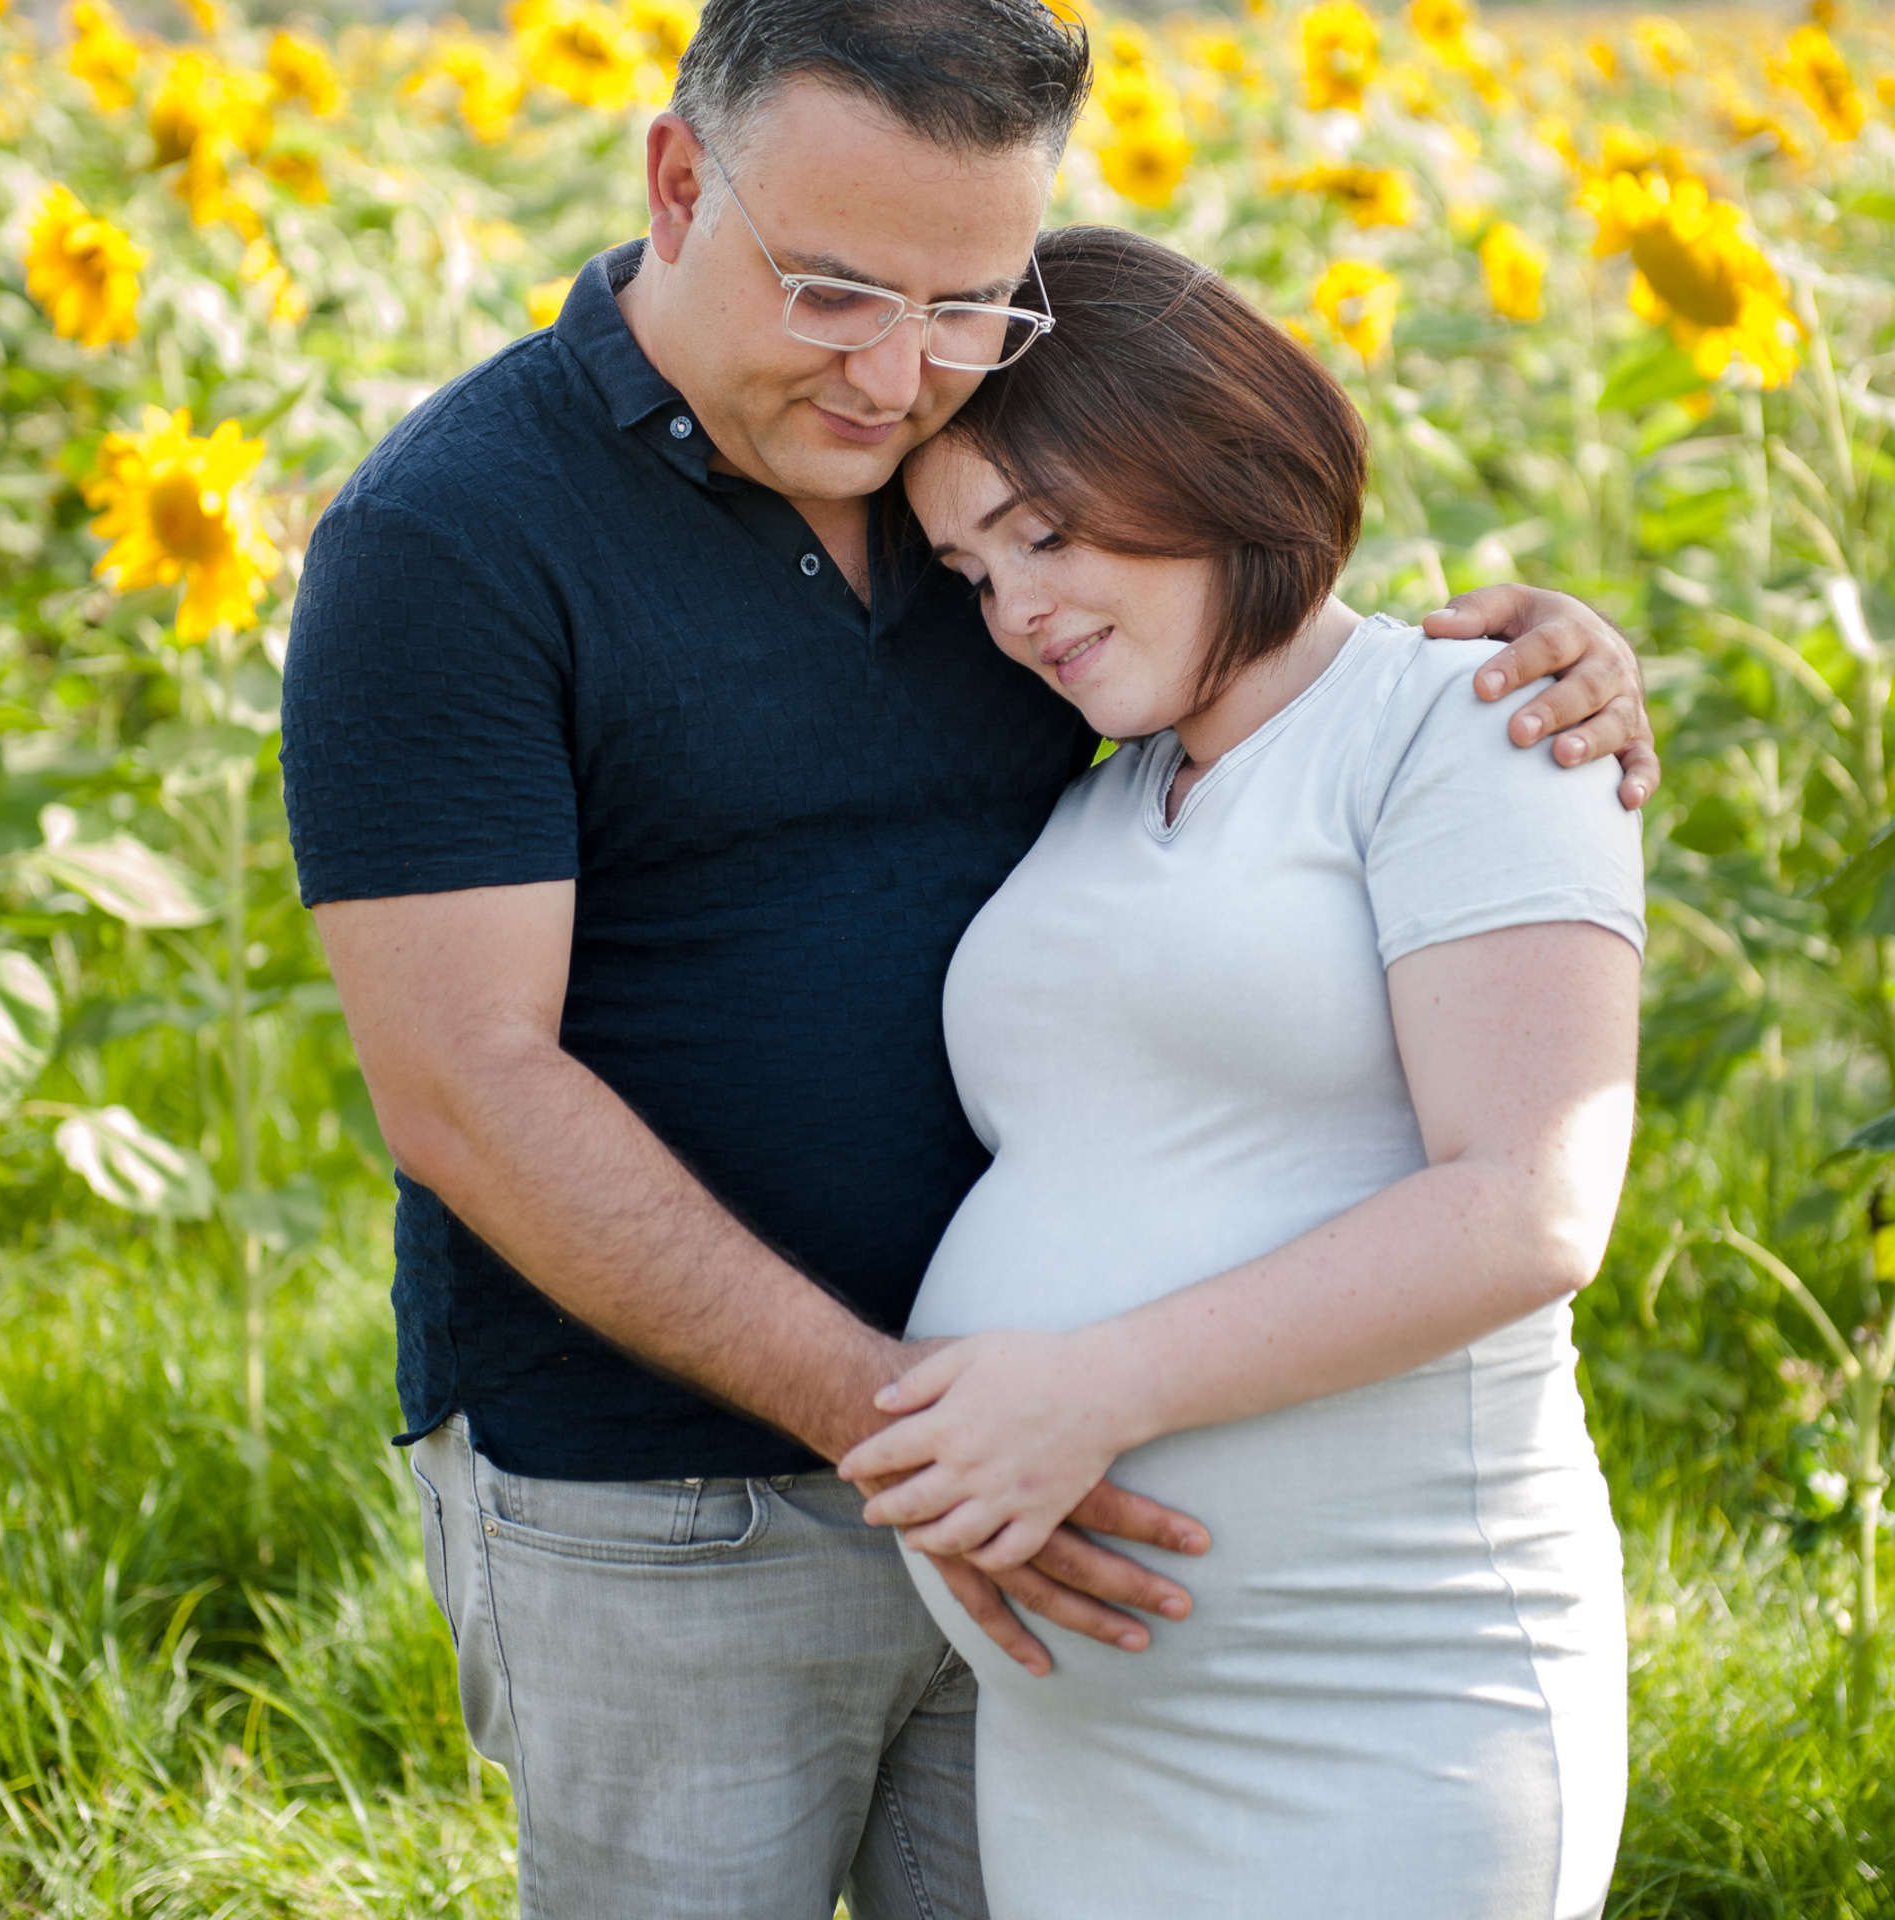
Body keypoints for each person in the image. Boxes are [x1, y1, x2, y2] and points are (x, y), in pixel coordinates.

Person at [279, 3, 1658, 1914]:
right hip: (684, 1502)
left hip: (1095, 1528)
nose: (899, 372)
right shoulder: (450, 542)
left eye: (968, 303)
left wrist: (1537, 659)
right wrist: (920, 1430)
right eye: (837, 292)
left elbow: (1250, 663)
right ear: (679, 182)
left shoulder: (974, 458)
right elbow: (463, 1089)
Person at [840, 224, 1645, 1920]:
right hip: (1081, 1744)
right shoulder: (1100, 797)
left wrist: (1093, 1392)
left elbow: (1529, 1208)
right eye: (973, 573)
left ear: (1211, 454)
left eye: (1044, 533)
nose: (1019, 611)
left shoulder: (1472, 720)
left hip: (1384, 1700)